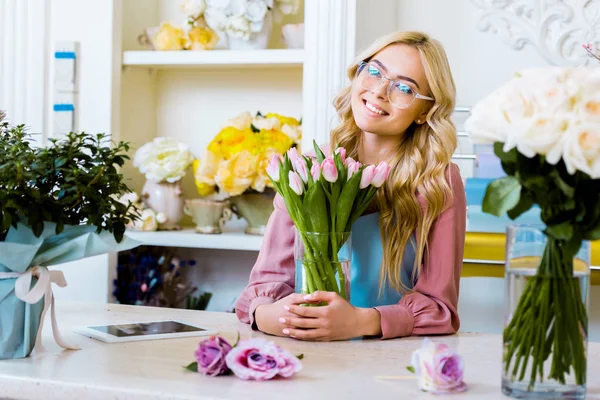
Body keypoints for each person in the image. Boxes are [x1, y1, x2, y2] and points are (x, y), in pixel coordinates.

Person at [234, 31, 466, 341]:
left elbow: (440, 308)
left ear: (425, 111)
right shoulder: (309, 172)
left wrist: (361, 322)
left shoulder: (437, 182)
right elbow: (262, 289)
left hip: (388, 362)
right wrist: (269, 316)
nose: (380, 91)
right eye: (374, 71)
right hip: (305, 349)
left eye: (404, 87)